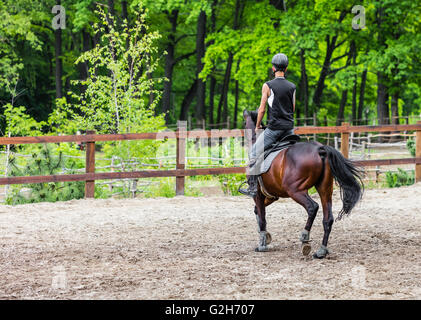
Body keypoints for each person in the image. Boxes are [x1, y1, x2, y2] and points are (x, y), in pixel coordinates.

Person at [239, 53, 296, 197]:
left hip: (275, 129)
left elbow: (262, 109)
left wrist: (258, 125)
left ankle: (252, 187)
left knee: (253, 154)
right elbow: (293, 108)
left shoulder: (268, 85)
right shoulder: (292, 86)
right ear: (286, 68)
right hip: (289, 130)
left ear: (273, 68)